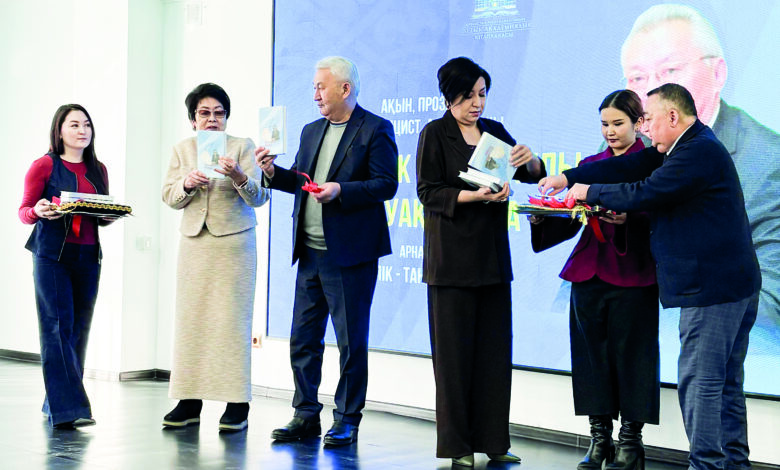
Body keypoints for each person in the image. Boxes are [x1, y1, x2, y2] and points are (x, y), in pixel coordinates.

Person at [539, 83, 761, 470]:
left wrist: (588, 191)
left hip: (714, 291)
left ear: (673, 116)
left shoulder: (697, 152)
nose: (645, 129)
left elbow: (645, 190)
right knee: (723, 384)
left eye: (649, 120)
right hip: (729, 286)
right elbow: (627, 167)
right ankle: (733, 465)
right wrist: (568, 177)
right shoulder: (684, 146)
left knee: (703, 383)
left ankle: (707, 466)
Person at [256, 56, 398, 446]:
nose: (315, 94)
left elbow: (387, 184)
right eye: (314, 87)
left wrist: (341, 191)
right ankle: (305, 415)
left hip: (351, 256)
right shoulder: (310, 131)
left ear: (344, 88)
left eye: (321, 86)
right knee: (303, 340)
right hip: (310, 253)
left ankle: (347, 418)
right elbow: (301, 182)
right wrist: (271, 173)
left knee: (350, 343)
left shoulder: (375, 129)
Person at [620, 3, 780, 338]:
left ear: (717, 73)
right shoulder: (631, 147)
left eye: (669, 71)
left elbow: (767, 306)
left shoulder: (767, 161)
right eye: (638, 78)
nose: (652, 93)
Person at [416, 57, 545, 467]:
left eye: (482, 94)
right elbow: (427, 192)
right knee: (453, 361)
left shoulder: (495, 132)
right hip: (450, 264)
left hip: (491, 261)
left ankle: (495, 442)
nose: (477, 103)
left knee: (494, 357)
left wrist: (529, 160)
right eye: (468, 95)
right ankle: (458, 447)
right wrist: (472, 196)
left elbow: (531, 174)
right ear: (449, 96)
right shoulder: (434, 133)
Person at [531, 90, 658, 470]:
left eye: (618, 123)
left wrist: (631, 217)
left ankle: (630, 444)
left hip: (634, 272)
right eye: (604, 124)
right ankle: (599, 440)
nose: (610, 132)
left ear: (638, 123)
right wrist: (543, 216)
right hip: (588, 272)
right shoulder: (591, 165)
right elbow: (572, 220)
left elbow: (664, 212)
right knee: (590, 358)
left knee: (634, 358)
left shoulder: (653, 162)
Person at [161, 83, 269, 432]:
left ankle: (237, 403)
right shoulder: (182, 150)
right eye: (204, 113)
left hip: (235, 244)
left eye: (219, 113)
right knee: (191, 322)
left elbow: (259, 198)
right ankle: (189, 401)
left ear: (226, 118)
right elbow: (169, 196)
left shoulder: (243, 147)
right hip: (194, 243)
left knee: (231, 323)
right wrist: (186, 184)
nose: (212, 119)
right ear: (193, 119)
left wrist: (238, 176)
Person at [19, 104, 113, 429]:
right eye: (74, 125)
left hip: (88, 256)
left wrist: (110, 216)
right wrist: (38, 211)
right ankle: (70, 409)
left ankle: (54, 402)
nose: (82, 130)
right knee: (57, 327)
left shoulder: (98, 169)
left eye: (87, 124)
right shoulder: (44, 165)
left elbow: (101, 213)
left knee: (78, 331)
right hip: (51, 256)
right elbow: (25, 210)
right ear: (59, 130)